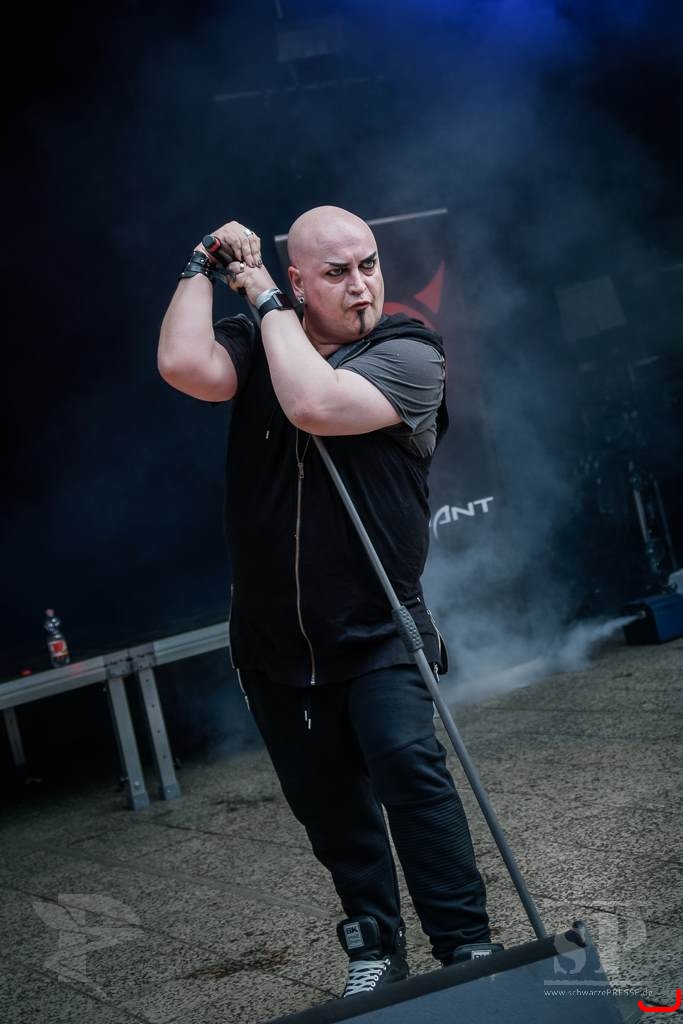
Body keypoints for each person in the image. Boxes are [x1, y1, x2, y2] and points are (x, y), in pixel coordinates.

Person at [157, 206, 501, 998]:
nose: (360, 285)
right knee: (330, 809)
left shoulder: (409, 351)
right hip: (274, 642)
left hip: (378, 628)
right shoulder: (256, 341)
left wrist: (264, 298)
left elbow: (314, 403)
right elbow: (182, 365)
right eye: (337, 272)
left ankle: (467, 946)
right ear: (301, 280)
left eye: (368, 265)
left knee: (411, 772)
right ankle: (373, 949)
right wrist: (201, 263)